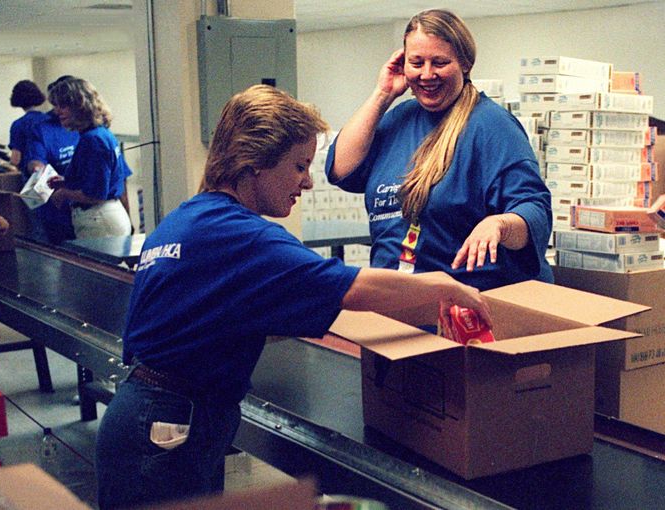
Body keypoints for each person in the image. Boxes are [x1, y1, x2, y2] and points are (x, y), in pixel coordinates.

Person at [94, 84, 492, 510]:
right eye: (299, 165)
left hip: (162, 418)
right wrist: (446, 286)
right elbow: (351, 286)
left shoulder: (189, 218)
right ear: (256, 163)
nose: (307, 181)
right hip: (166, 432)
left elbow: (215, 317)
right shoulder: (242, 237)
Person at [326, 9, 553, 291]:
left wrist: (499, 224)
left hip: (464, 309)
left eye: (440, 62)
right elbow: (340, 169)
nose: (427, 74)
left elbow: (535, 211)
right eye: (416, 62)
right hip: (397, 300)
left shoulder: (491, 126)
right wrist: (382, 94)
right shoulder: (399, 118)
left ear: (465, 64)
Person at [46, 78, 132, 239]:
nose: (57, 111)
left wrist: (64, 193)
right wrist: (67, 181)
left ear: (80, 106)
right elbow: (98, 179)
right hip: (106, 215)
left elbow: (96, 195)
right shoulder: (101, 134)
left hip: (99, 219)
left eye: (62, 106)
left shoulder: (92, 140)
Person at [24, 75, 80, 244]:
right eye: (56, 104)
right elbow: (35, 162)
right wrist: (38, 170)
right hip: (58, 212)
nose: (59, 110)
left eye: (64, 105)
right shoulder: (42, 128)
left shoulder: (93, 132)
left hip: (90, 209)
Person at [8, 80, 47, 177]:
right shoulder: (49, 120)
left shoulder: (18, 124)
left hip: (32, 177)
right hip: (53, 173)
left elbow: (15, 160)